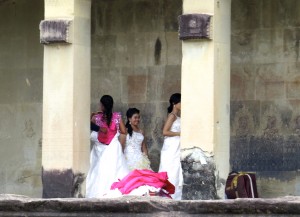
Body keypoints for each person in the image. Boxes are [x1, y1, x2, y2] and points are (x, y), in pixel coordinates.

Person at [86, 95, 129, 198]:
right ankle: (114, 188)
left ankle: (100, 191)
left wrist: (91, 117)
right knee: (114, 169)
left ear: (102, 106)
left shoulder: (97, 117)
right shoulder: (117, 117)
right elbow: (124, 131)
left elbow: (87, 126)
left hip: (100, 148)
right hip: (113, 148)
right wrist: (115, 130)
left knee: (99, 171)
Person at [158, 93, 183, 200]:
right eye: (180, 102)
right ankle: (168, 194)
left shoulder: (178, 116)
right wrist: (179, 134)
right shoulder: (172, 116)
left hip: (177, 145)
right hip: (172, 146)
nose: (182, 104)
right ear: (174, 103)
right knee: (171, 168)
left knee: (177, 169)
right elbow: (165, 131)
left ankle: (177, 194)